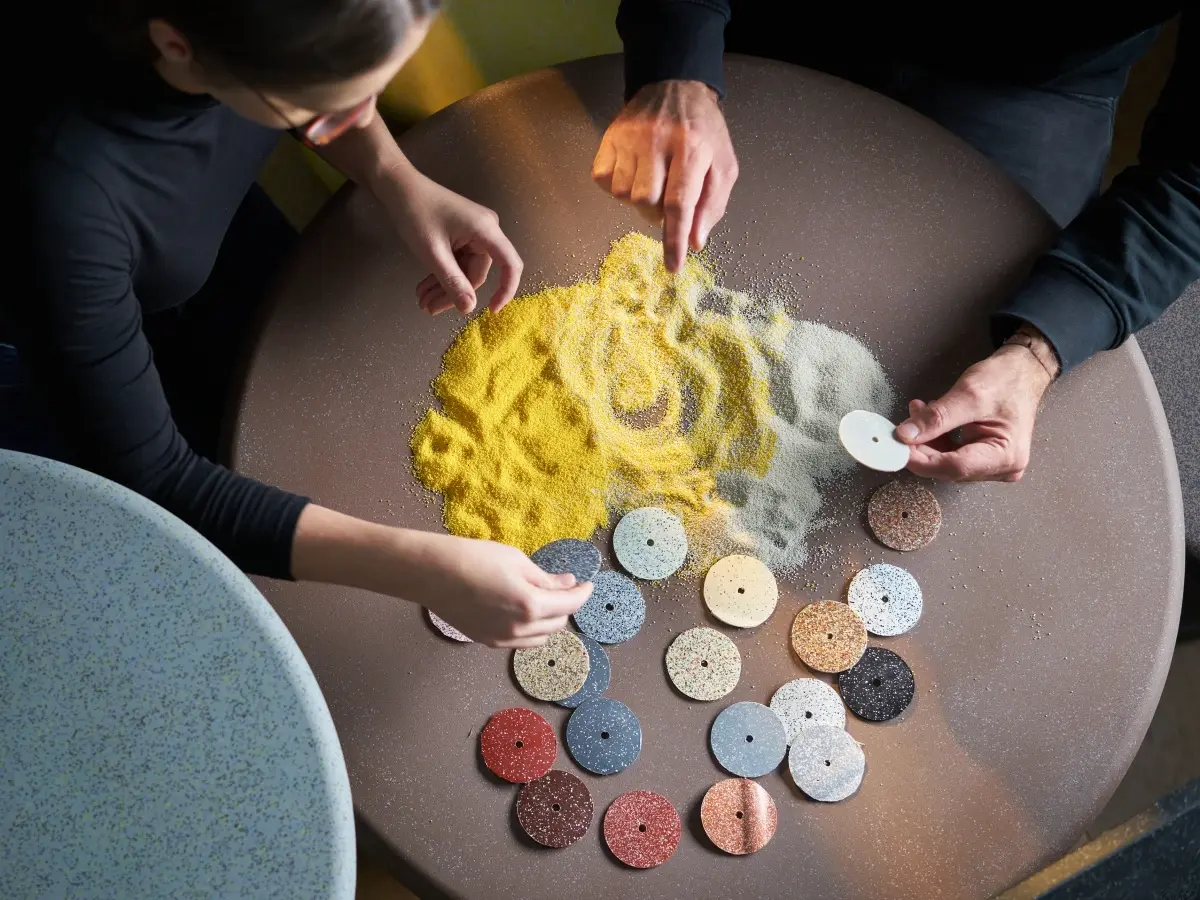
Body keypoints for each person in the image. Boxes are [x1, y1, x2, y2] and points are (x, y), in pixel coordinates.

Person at [10, 0, 591, 646]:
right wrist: (426, 567)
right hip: (57, 326)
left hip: (180, 235)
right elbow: (158, 478)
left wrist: (396, 179)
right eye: (331, 108)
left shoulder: (244, 42)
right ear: (176, 45)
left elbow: (309, 91)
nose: (361, 116)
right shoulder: (63, 206)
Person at [596, 3, 1198, 484]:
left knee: (958, 372)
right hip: (792, 23)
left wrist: (1040, 351)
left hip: (1035, 86)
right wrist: (678, 62)